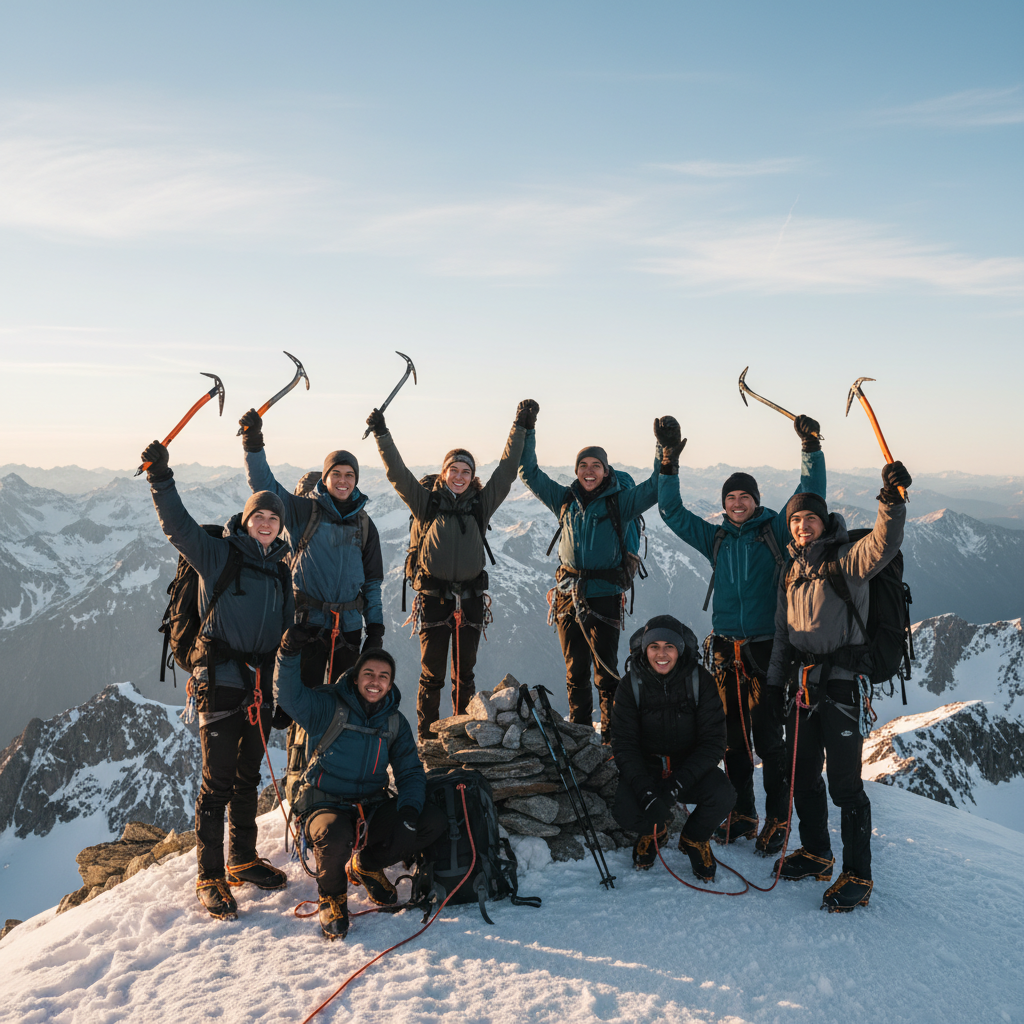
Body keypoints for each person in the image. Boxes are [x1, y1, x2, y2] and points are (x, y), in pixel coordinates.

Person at [655, 412, 826, 854]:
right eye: (730, 497)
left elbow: (810, 496)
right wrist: (667, 461)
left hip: (768, 649)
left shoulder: (774, 530)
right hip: (726, 651)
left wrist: (810, 449)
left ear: (756, 500)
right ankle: (744, 814)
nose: (736, 503)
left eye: (743, 497)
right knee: (733, 741)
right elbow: (671, 511)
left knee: (769, 741)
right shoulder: (716, 538)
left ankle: (776, 822)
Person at [141, 440, 292, 920]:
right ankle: (209, 875)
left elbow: (284, 635)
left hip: (260, 687)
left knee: (249, 774)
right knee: (217, 782)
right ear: (246, 521)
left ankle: (241, 859)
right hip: (221, 682)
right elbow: (179, 528)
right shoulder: (220, 556)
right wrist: (161, 480)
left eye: (273, 518)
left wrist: (282, 692)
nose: (265, 523)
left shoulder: (281, 571)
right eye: (258, 517)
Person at [767, 462, 912, 912]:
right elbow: (781, 635)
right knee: (803, 775)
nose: (803, 526)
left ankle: (858, 875)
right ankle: (817, 854)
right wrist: (774, 685)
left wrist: (891, 501)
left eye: (810, 518)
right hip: (802, 687)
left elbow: (884, 544)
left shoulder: (845, 561)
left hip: (842, 688)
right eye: (796, 520)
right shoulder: (791, 572)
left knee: (845, 786)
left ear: (824, 522)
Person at [365, 401, 529, 739]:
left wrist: (520, 427)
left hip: (469, 600)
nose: (459, 476)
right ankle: (427, 739)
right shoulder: (428, 504)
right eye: (454, 470)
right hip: (434, 599)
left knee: (464, 674)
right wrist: (382, 434)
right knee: (431, 674)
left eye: (465, 472)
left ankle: (458, 734)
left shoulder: (481, 506)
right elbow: (398, 475)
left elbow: (507, 470)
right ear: (444, 473)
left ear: (472, 478)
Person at [274, 629, 444, 939]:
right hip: (324, 802)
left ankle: (366, 865)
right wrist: (288, 653)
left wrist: (408, 810)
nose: (375, 681)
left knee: (430, 821)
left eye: (383, 676)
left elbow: (409, 772)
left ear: (390, 684)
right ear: (355, 678)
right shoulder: (327, 706)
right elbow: (288, 696)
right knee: (333, 834)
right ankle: (333, 897)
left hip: (370, 805)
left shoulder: (393, 722)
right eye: (368, 673)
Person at [518, 407, 661, 743]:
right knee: (575, 672)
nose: (589, 470)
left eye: (596, 465)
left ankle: (611, 739)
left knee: (606, 672)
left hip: (604, 595)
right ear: (576, 471)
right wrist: (528, 430)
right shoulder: (564, 500)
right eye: (583, 465)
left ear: (606, 471)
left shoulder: (621, 503)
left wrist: (663, 451)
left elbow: (655, 488)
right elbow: (529, 472)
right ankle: (581, 736)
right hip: (568, 593)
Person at [238, 409, 385, 688]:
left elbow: (373, 584)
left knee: (344, 706)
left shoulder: (366, 525)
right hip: (307, 627)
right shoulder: (304, 510)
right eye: (337, 474)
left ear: (356, 480)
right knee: (303, 705)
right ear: (325, 478)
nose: (343, 480)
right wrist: (253, 442)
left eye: (350, 475)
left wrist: (375, 629)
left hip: (350, 629)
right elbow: (264, 486)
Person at [610, 615, 734, 880]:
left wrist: (674, 787)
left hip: (688, 768)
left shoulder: (699, 680)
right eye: (654, 646)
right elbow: (624, 745)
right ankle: (654, 832)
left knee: (723, 794)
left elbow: (714, 743)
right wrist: (647, 793)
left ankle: (694, 838)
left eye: (669, 646)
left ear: (680, 649)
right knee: (625, 809)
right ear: (645, 649)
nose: (662, 654)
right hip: (649, 769)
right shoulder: (629, 686)